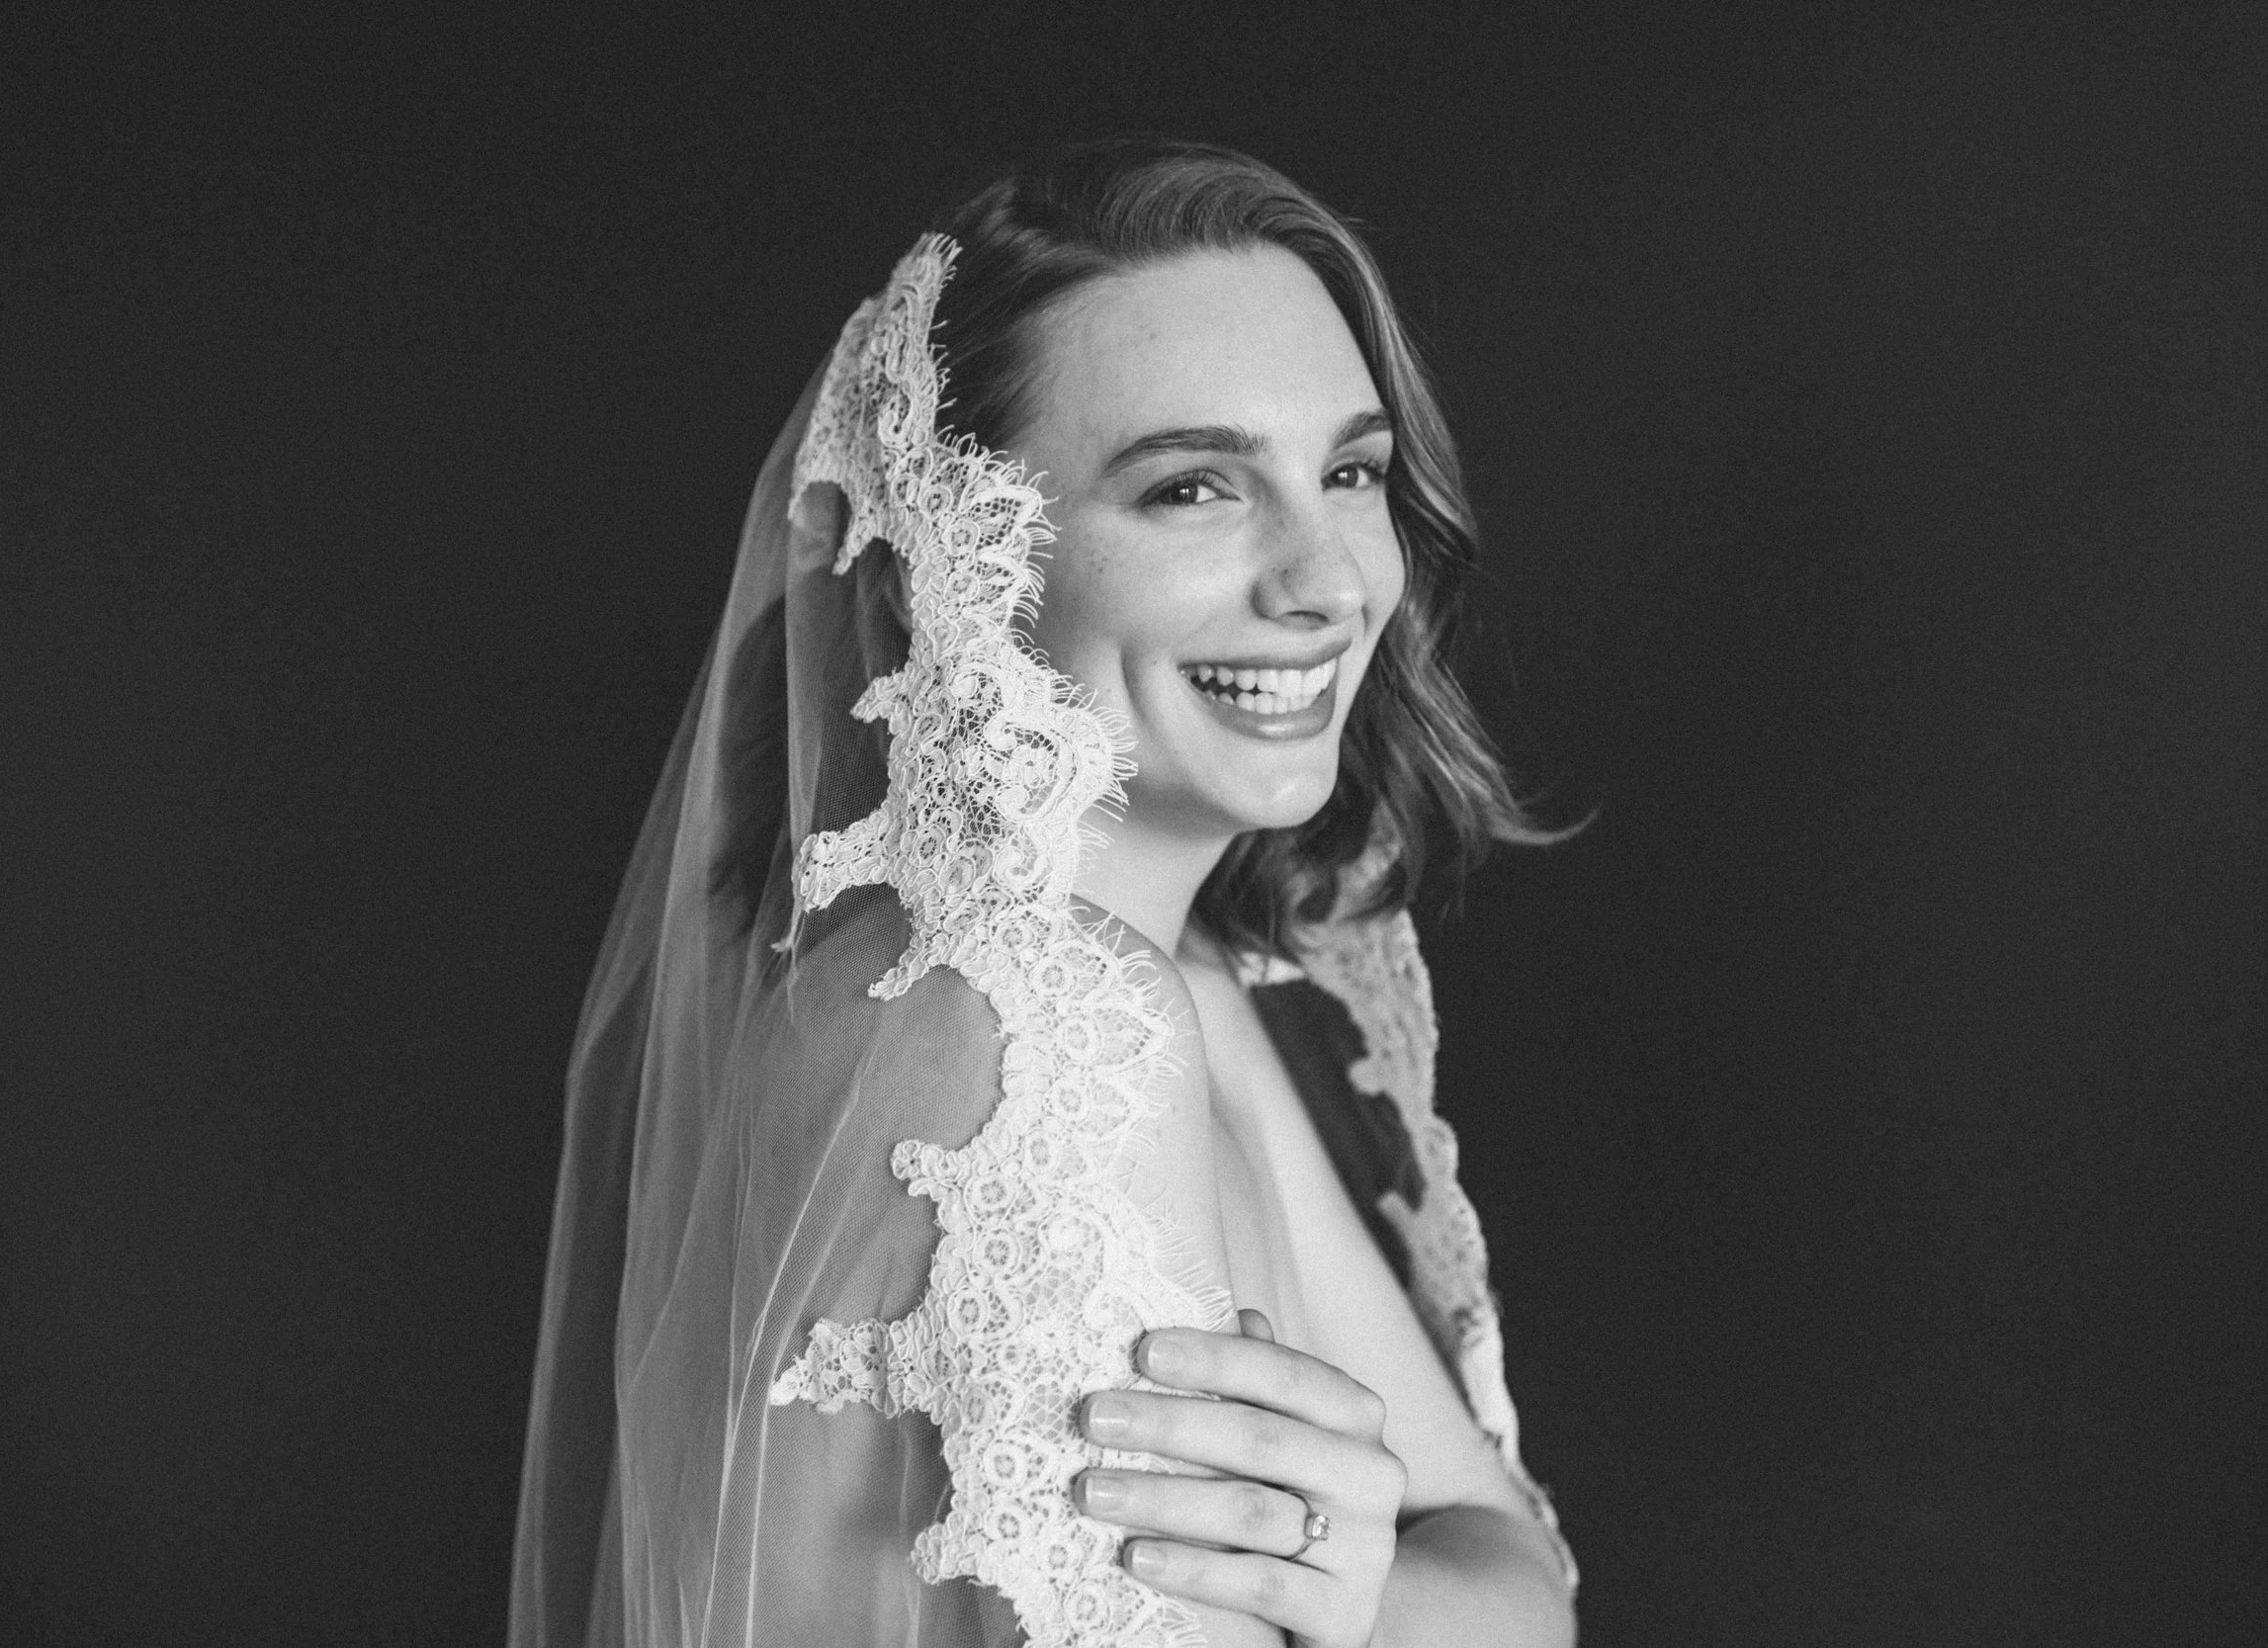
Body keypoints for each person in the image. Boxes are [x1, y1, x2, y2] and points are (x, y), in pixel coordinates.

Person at [509, 137, 1579, 1648]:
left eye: (1348, 471)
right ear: (962, 560)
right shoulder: (1036, 1025)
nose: (1328, 580)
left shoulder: (1171, 990)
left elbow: (1520, 1571)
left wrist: (1361, 1585)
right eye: (1193, 486)